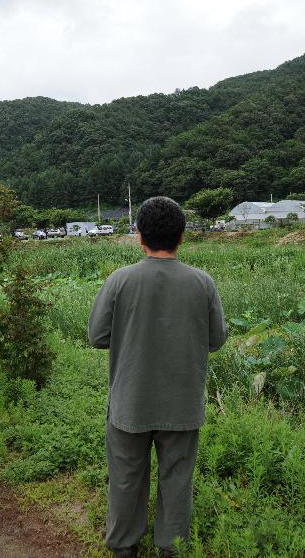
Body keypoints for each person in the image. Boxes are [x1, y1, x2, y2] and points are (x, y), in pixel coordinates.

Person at [88, 196, 228, 557]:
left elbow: (97, 336)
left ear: (139, 236)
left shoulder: (120, 280)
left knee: (125, 477)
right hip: (181, 403)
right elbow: (216, 340)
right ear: (182, 237)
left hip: (129, 402)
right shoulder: (202, 283)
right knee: (177, 479)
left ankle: (124, 547)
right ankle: (171, 546)